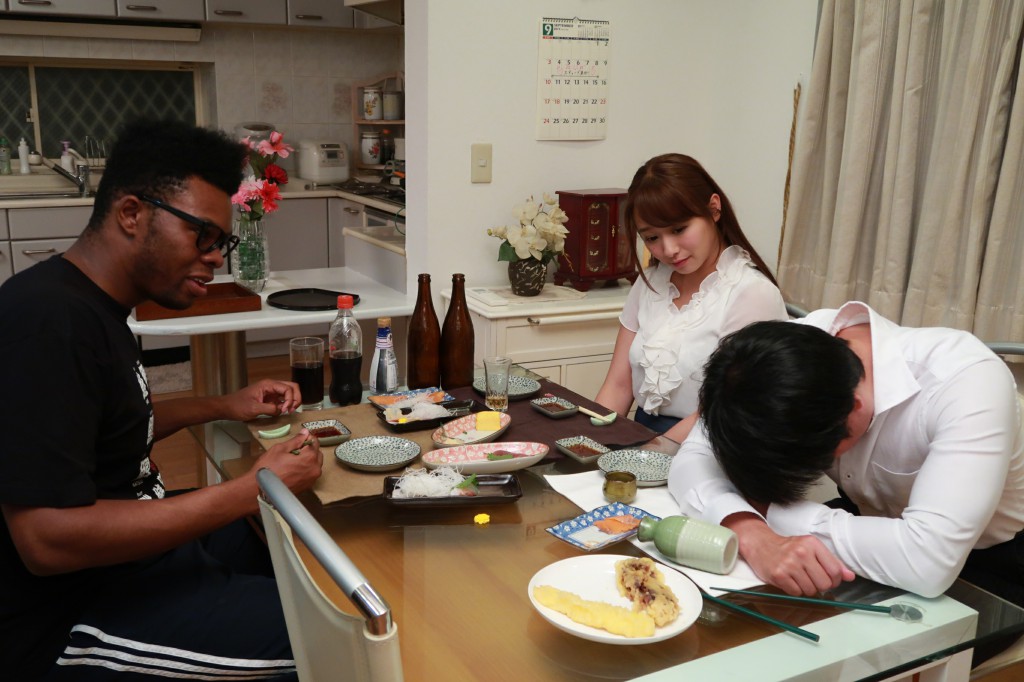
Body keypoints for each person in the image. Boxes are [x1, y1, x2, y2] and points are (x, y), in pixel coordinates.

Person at [0, 120, 324, 680]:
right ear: (131, 213)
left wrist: (223, 404)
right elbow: (46, 540)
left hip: (137, 562)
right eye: (202, 236)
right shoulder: (48, 323)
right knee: (347, 639)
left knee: (303, 547)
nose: (215, 258)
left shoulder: (93, 305)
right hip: (69, 617)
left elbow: (113, 426)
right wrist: (252, 488)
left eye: (221, 243)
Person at [667, 301, 1024, 607]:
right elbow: (695, 456)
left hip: (991, 566)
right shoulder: (790, 352)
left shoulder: (966, 383)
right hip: (861, 529)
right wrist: (749, 531)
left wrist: (768, 512)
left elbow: (928, 561)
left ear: (853, 408)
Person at [594, 153, 788, 443]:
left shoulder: (751, 294)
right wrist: (588, 443)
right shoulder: (652, 282)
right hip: (645, 441)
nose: (669, 250)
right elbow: (619, 386)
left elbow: (719, 411)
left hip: (710, 446)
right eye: (652, 238)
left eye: (679, 229)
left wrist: (649, 455)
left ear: (714, 209)